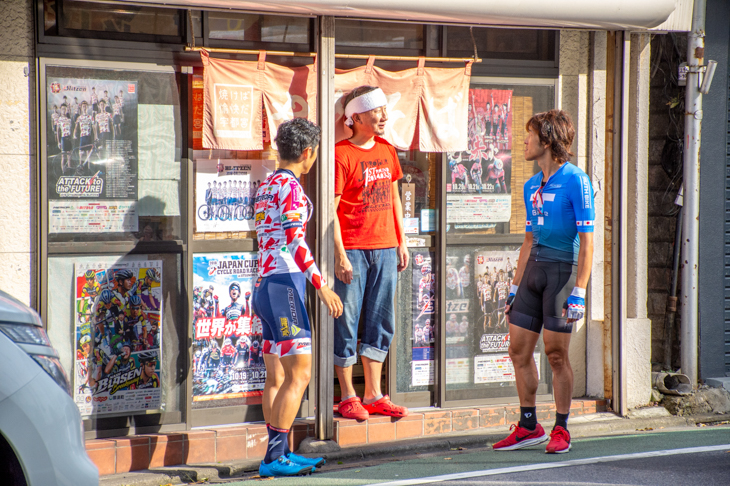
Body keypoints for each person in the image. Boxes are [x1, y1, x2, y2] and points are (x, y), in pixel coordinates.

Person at [493, 109, 594, 455]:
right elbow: (527, 240)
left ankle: (562, 429)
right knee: (518, 350)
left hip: (562, 272)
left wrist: (579, 291)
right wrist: (512, 286)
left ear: (547, 140)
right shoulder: (530, 185)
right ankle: (528, 426)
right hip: (533, 271)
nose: (523, 140)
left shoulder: (576, 180)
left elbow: (589, 241)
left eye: (529, 134)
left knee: (555, 355)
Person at [252, 118, 343, 477]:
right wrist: (320, 284)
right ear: (308, 153)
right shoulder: (289, 186)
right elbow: (294, 239)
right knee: (301, 374)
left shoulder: (265, 185)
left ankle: (279, 454)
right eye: (315, 153)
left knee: (277, 377)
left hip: (264, 283)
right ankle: (274, 459)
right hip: (285, 283)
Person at [333, 85, 409, 421]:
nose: (383, 116)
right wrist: (339, 254)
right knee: (346, 320)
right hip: (352, 248)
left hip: (387, 247)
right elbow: (330, 210)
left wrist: (402, 241)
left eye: (383, 110)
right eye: (376, 111)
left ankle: (374, 394)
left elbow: (395, 199)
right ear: (356, 117)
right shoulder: (340, 154)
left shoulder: (388, 150)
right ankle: (348, 395)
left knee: (381, 320)